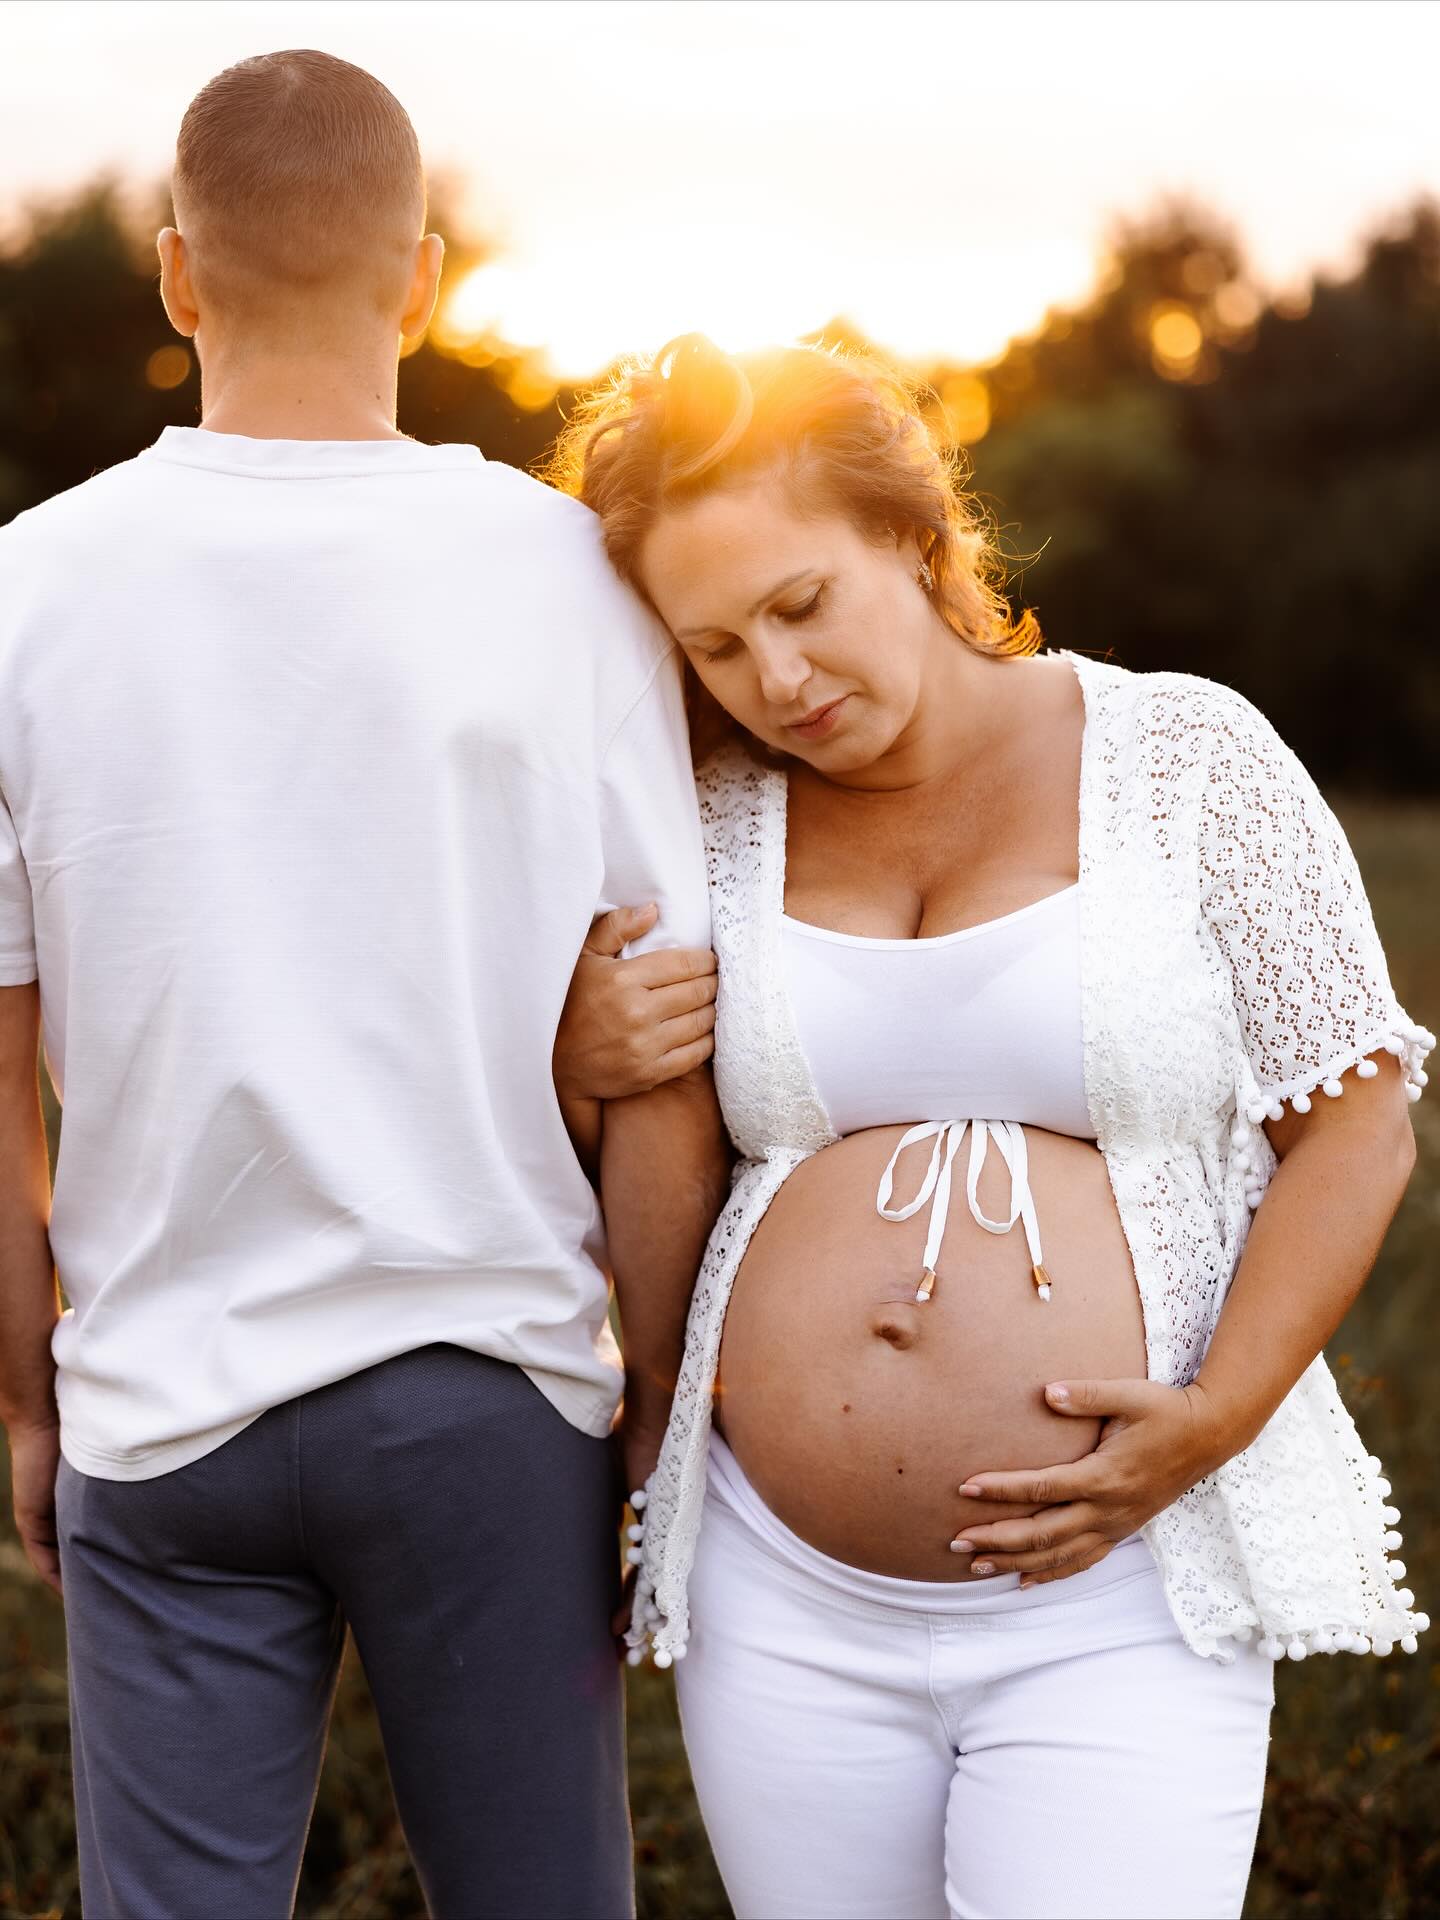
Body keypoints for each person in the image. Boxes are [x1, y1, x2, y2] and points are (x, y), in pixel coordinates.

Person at [550, 334, 1432, 1920]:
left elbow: (1357, 1126)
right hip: (784, 1591)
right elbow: (631, 1137)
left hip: (1119, 1583)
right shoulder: (709, 821)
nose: (780, 681)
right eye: (720, 646)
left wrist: (1217, 1416)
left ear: (907, 530)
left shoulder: (1189, 758)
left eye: (801, 606)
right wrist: (584, 1058)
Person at [0, 52, 729, 1920]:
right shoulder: (567, 574)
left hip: (159, 1410)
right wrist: (650, 1408)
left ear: (175, 277)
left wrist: (25, 1405)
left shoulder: (23, 589)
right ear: (420, 284)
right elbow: (662, 1047)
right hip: (487, 1396)